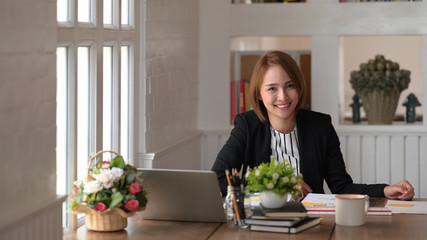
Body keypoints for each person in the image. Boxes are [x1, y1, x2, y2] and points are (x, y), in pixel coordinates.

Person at [211, 51, 414, 201]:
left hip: (314, 223)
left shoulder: (320, 126)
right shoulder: (247, 125)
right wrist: (282, 185)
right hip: (261, 222)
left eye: (289, 86)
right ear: (258, 94)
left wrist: (385, 190)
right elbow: (218, 180)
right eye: (272, 88)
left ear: (298, 87)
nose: (283, 96)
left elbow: (341, 186)